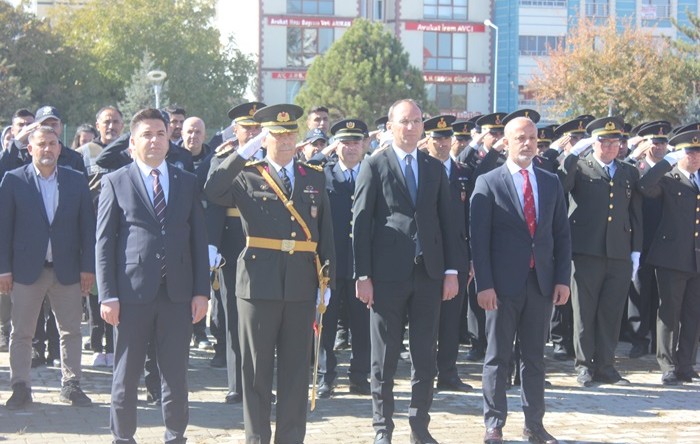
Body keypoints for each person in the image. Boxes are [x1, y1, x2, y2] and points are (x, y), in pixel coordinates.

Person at [204, 104, 335, 444]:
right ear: (265, 138)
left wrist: (327, 280)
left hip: (300, 285)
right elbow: (212, 190)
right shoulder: (246, 174)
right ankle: (257, 439)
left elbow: (326, 233)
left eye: (291, 133)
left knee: (295, 373)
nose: (287, 140)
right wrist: (242, 151)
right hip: (257, 286)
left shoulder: (313, 176)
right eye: (278, 134)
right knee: (256, 373)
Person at [97, 108, 209, 443]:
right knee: (126, 375)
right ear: (132, 143)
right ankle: (123, 437)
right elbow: (104, 242)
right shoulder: (116, 181)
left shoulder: (186, 182)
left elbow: (198, 239)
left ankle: (176, 435)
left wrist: (201, 291)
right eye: (146, 134)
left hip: (177, 294)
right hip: (130, 295)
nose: (154, 140)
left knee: (175, 375)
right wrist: (108, 295)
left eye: (160, 134)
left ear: (168, 139)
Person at [352, 99, 459, 444]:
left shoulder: (433, 167)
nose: (411, 127)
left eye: (416, 121)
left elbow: (448, 222)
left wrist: (452, 270)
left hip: (428, 274)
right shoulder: (374, 164)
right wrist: (363, 275)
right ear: (391, 125)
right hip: (386, 277)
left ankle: (419, 426)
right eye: (404, 121)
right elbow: (361, 222)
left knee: (424, 354)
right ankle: (383, 428)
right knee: (383, 358)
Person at [470, 116, 571, 444]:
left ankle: (534, 425)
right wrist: (483, 284)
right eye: (520, 138)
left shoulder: (550, 182)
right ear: (507, 142)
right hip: (500, 286)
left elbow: (561, 235)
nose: (527, 143)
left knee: (534, 358)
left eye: (532, 137)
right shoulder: (488, 182)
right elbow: (478, 240)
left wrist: (561, 279)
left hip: (539, 283)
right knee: (498, 357)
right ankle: (494, 424)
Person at [0, 125, 96, 409]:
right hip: (27, 270)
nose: (48, 149)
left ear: (60, 147)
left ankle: (72, 385)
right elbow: (3, 228)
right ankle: (20, 386)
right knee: (22, 332)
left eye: (53, 144)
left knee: (71, 330)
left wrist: (87, 267)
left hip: (67, 269)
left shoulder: (76, 180)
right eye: (41, 144)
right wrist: (3, 268)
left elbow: (88, 229)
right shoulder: (13, 181)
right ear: (30, 149)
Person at [560, 116, 643, 387]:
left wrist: (635, 252)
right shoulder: (580, 168)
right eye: (603, 141)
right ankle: (584, 365)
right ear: (593, 142)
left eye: (614, 142)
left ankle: (606, 365)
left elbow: (635, 215)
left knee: (611, 312)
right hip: (586, 251)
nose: (608, 147)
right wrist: (572, 154)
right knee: (584, 312)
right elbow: (559, 185)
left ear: (621, 144)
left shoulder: (628, 172)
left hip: (618, 252)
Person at [204, 101, 265, 402]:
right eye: (247, 128)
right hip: (233, 243)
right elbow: (213, 201)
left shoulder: (277, 159)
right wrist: (212, 243)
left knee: (265, 316)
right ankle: (236, 385)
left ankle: (262, 382)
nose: (253, 132)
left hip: (269, 244)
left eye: (257, 127)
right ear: (236, 131)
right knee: (232, 314)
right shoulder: (224, 159)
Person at [312, 118, 371, 399]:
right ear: (336, 146)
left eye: (355, 142)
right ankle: (326, 377)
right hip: (330, 263)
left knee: (363, 323)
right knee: (327, 323)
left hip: (363, 262)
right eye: (345, 142)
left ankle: (360, 376)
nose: (350, 148)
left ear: (364, 145)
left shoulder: (373, 173)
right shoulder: (322, 175)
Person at [637, 129, 700, 385]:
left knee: (693, 314)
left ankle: (687, 363)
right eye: (690, 152)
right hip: (671, 257)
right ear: (679, 154)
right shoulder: (668, 178)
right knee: (669, 313)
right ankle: (668, 364)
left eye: (698, 152)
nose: (695, 157)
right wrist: (665, 162)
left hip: (696, 257)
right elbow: (645, 186)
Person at [422, 115, 474, 393]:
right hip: (430, 255)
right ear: (427, 140)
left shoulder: (463, 171)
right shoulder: (421, 170)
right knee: (428, 318)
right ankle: (426, 373)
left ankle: (448, 372)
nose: (442, 143)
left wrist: (471, 259)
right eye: (437, 138)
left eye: (446, 138)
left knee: (452, 318)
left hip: (458, 253)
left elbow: (472, 218)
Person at [622, 121, 671, 358]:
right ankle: (638, 339)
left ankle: (658, 342)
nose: (660, 146)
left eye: (663, 142)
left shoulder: (671, 167)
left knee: (662, 293)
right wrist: (633, 155)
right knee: (640, 290)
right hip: (640, 237)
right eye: (655, 142)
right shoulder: (635, 166)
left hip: (666, 238)